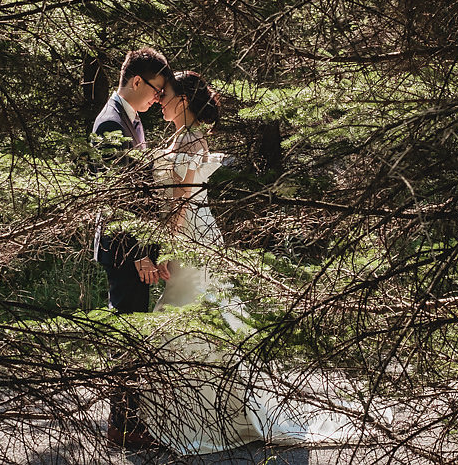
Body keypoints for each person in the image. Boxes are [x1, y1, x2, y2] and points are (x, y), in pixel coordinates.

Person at [139, 71, 387, 455]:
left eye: (165, 94)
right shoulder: (178, 136)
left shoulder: (190, 137)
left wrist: (170, 249)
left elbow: (184, 198)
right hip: (186, 230)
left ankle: (211, 416)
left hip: (192, 235)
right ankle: (188, 411)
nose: (159, 100)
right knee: (189, 313)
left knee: (195, 312)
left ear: (183, 99)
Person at [89, 47, 172, 449]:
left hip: (135, 247)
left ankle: (128, 422)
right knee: (129, 334)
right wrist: (140, 251)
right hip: (124, 249)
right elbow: (117, 196)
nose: (159, 98)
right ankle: (123, 429)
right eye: (156, 90)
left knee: (134, 331)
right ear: (137, 81)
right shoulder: (109, 123)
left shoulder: (130, 117)